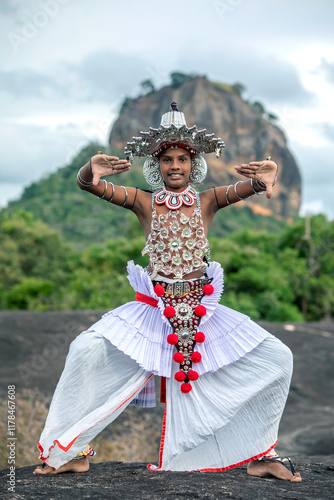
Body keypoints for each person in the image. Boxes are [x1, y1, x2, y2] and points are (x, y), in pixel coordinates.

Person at [34, 102, 301, 482]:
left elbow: (253, 186)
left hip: (200, 310)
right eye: (167, 160)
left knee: (277, 357)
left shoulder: (207, 200)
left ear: (194, 165)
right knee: (85, 350)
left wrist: (267, 176)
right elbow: (91, 185)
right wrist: (87, 172)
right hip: (153, 309)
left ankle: (260, 453)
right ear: (155, 166)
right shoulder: (145, 201)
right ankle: (72, 451)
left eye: (182, 159)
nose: (175, 166)